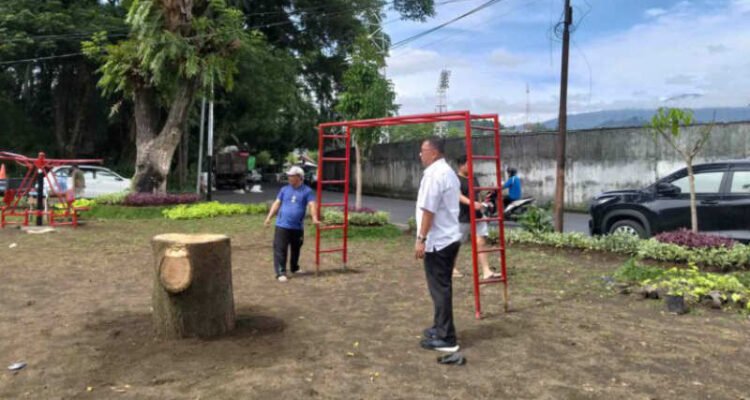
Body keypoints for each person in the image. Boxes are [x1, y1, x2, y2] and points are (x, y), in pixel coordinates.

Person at [415, 137, 462, 353]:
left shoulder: (434, 175)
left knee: (440, 289)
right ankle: (439, 327)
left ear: (434, 153)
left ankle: (447, 338)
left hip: (439, 241)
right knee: (440, 288)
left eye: (423, 151)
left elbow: (428, 210)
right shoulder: (448, 172)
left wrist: (421, 239)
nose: (420, 155)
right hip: (449, 237)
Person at [264, 166, 319, 282]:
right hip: (282, 225)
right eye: (288, 175)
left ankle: (294, 268)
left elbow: (312, 205)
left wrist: (314, 218)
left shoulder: (307, 191)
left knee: (296, 248)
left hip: (297, 226)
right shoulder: (284, 189)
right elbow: (277, 203)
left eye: (291, 176)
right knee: (280, 249)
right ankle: (281, 272)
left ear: (299, 177)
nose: (289, 177)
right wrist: (269, 217)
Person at [454, 155, 501, 280]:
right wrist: (471, 203)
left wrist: (482, 207)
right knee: (456, 243)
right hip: (463, 216)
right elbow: (457, 195)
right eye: (469, 164)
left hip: (477, 215)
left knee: (481, 241)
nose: (472, 167)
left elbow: (478, 194)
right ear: (461, 165)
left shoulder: (473, 178)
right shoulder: (455, 179)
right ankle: (451, 267)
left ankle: (486, 271)